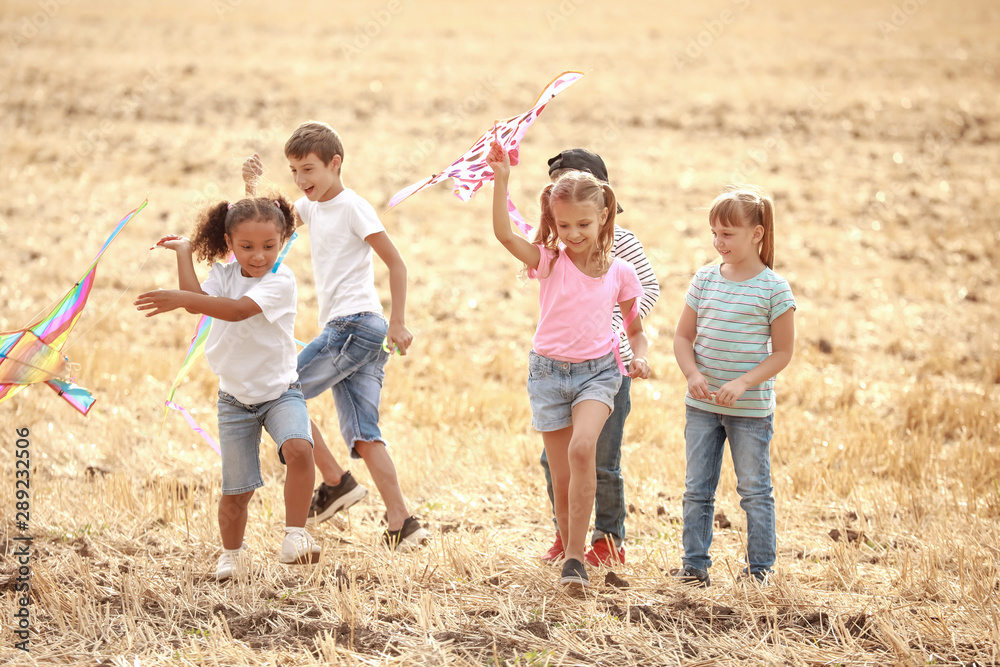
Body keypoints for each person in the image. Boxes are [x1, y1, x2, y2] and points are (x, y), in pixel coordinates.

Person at [242, 120, 429, 551]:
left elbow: (396, 264)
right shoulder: (309, 209)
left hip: (356, 327)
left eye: (309, 169)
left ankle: (335, 481)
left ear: (335, 163)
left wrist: (398, 321)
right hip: (355, 334)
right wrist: (252, 186)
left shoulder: (352, 207)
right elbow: (262, 229)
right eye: (293, 171)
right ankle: (403, 521)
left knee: (278, 391)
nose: (301, 180)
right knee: (364, 434)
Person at [486, 141, 651, 588]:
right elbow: (505, 236)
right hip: (547, 374)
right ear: (552, 223)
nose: (574, 233)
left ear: (603, 217)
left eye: (583, 223)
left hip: (599, 372)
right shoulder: (550, 260)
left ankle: (578, 558)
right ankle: (570, 548)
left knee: (584, 451)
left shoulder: (621, 272)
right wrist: (502, 180)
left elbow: (635, 328)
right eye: (564, 225)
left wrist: (641, 355)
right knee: (560, 475)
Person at [135, 195, 321, 581]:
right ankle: (232, 555)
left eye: (269, 246)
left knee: (300, 449)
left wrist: (181, 298)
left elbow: (235, 312)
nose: (258, 256)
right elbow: (198, 303)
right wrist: (184, 253)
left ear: (284, 240)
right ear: (229, 243)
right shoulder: (224, 274)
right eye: (247, 246)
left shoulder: (280, 281)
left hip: (280, 393)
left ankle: (295, 535)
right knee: (236, 491)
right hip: (234, 401)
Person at [538, 149, 659, 568]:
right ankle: (566, 532)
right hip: (560, 363)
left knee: (601, 459)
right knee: (554, 460)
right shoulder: (560, 241)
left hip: (610, 363)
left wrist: (608, 316)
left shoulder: (621, 242)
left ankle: (608, 540)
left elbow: (648, 291)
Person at [671, 185, 796, 587]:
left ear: (756, 234)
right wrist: (692, 374)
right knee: (697, 490)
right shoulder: (705, 278)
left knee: (755, 491)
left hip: (750, 412)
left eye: (728, 234)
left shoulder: (775, 289)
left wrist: (743, 382)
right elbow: (682, 338)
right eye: (714, 233)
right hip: (703, 407)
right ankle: (693, 566)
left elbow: (782, 353)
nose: (718, 241)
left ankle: (759, 571)